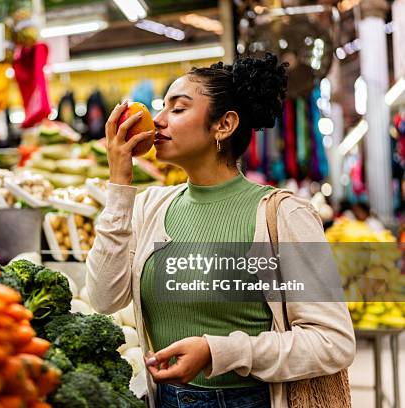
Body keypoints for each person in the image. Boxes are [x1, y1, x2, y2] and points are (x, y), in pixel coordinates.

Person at [86, 54, 355, 408]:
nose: (158, 120)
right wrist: (119, 184)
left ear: (224, 125)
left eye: (178, 109)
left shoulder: (282, 214)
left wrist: (219, 351)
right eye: (161, 107)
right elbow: (104, 298)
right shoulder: (149, 206)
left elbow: (332, 342)